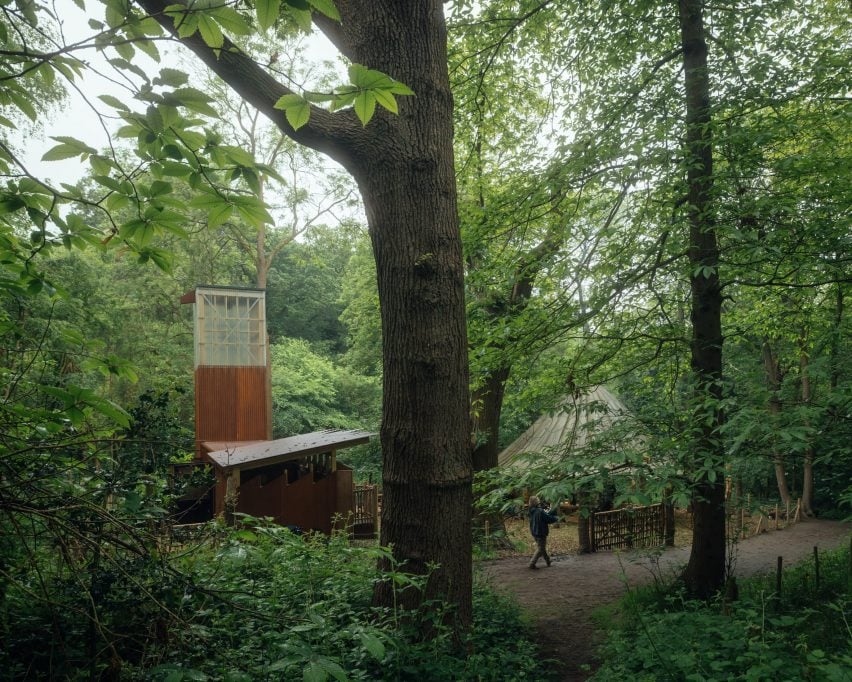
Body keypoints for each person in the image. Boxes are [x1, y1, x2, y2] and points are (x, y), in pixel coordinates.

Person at [528, 495, 559, 569]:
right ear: (536, 502)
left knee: (542, 548)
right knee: (540, 548)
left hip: (534, 531)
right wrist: (556, 518)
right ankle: (532, 563)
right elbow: (548, 518)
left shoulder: (531, 510)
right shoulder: (539, 511)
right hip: (540, 532)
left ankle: (548, 561)